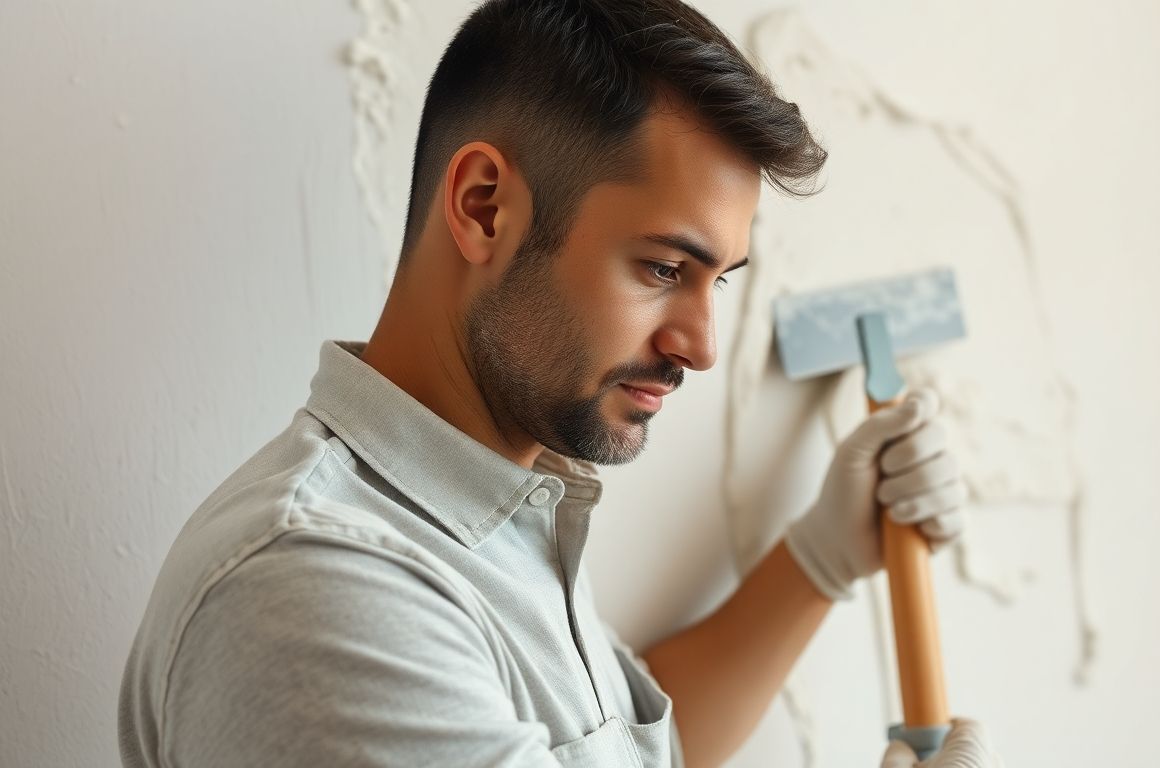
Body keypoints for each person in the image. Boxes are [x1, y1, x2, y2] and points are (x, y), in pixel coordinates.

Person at [118, 1, 1002, 765]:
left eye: (719, 280)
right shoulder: (318, 593)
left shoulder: (486, 520)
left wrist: (821, 555)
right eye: (662, 268)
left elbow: (639, 746)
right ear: (482, 208)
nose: (702, 347)